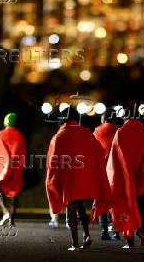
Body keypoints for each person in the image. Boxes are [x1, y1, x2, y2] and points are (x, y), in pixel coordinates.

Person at [46, 107, 113, 251]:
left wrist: (51, 180)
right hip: (84, 176)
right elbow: (99, 151)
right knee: (81, 207)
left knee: (71, 209)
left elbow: (54, 161)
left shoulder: (60, 136)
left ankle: (75, 244)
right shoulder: (86, 133)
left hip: (69, 177)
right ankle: (87, 235)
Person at [107, 108, 144, 249]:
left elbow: (114, 158)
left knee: (128, 208)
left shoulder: (120, 132)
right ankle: (141, 229)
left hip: (126, 180)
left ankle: (129, 240)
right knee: (143, 207)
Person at [0, 113, 25, 226]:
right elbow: (23, 153)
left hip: (2, 168)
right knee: (14, 193)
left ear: (5, 122)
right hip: (15, 167)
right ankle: (12, 220)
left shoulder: (0, 134)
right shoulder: (20, 136)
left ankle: (5, 210)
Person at [93, 108, 122, 240]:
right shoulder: (120, 130)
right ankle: (116, 230)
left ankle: (104, 230)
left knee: (101, 199)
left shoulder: (97, 130)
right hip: (116, 169)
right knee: (116, 201)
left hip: (100, 170)